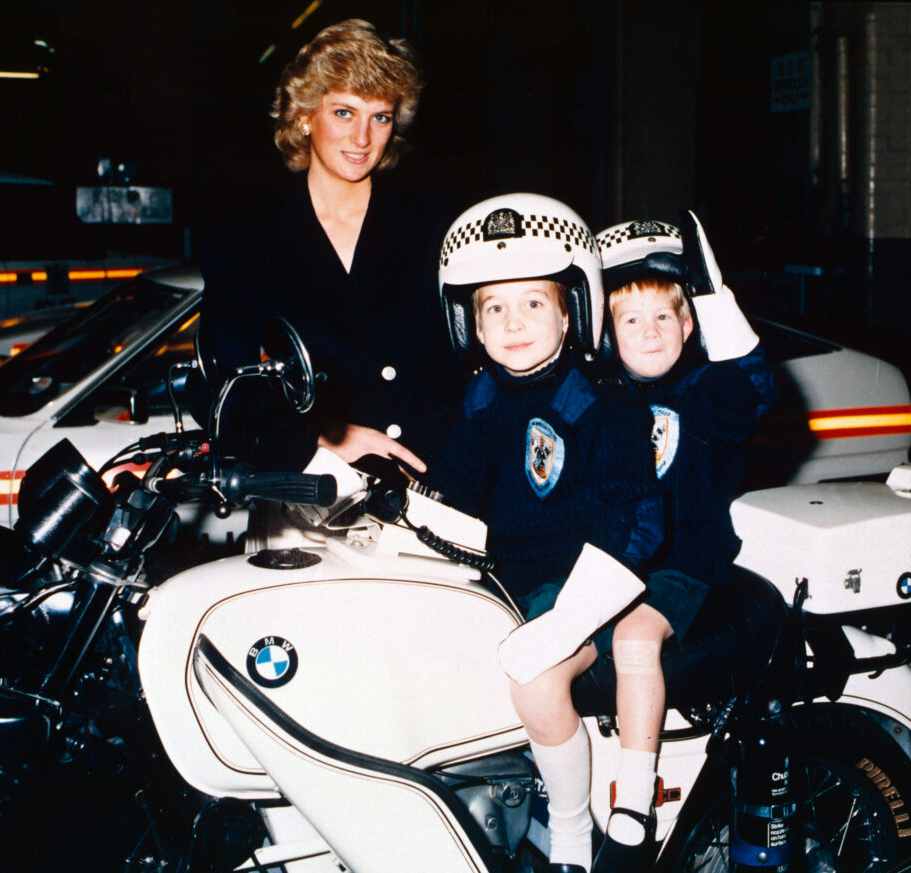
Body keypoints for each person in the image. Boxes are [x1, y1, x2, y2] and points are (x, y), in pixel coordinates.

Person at [431, 193, 664, 873]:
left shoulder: (600, 402)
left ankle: (572, 832)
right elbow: (449, 486)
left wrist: (570, 617)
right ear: (469, 323)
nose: (512, 322)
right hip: (507, 575)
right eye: (492, 307)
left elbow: (640, 519)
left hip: (584, 583)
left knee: (535, 681)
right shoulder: (482, 396)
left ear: (571, 310)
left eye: (533, 302)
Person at [588, 213, 776, 872]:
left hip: (683, 563)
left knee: (634, 640)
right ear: (607, 334)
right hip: (612, 562)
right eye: (629, 321)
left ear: (688, 324)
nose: (647, 332)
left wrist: (710, 290)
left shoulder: (703, 394)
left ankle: (633, 809)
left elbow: (753, 388)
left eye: (663, 318)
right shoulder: (599, 399)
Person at [199, 19, 460, 473]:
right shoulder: (249, 236)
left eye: (379, 117)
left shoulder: (434, 225)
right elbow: (218, 388)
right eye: (344, 113)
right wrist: (318, 436)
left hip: (426, 479)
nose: (362, 139)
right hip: (310, 487)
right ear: (304, 116)